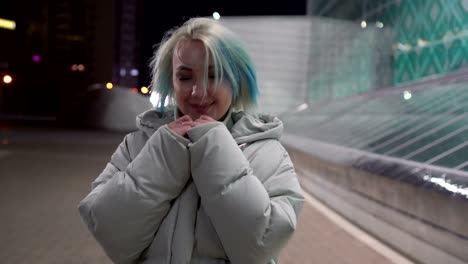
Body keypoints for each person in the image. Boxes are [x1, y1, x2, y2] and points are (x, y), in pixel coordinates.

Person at [78, 17, 304, 264]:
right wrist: (165, 153)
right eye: (185, 78)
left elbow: (259, 248)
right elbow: (110, 231)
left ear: (237, 81)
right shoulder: (139, 144)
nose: (198, 91)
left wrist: (213, 146)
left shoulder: (268, 153)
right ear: (171, 82)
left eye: (214, 76)